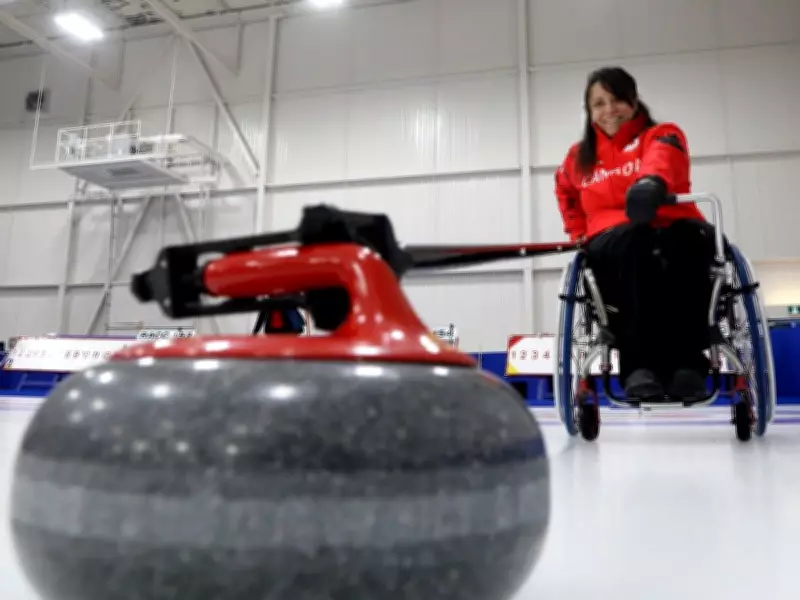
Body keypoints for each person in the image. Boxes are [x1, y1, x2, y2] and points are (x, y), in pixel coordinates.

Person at [554, 66, 716, 402]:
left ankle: (688, 364)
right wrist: (577, 230)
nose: (609, 110)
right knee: (635, 244)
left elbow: (664, 156)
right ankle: (637, 366)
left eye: (616, 100)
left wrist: (651, 182)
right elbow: (565, 191)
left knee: (693, 240)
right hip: (614, 236)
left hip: (670, 220)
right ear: (589, 111)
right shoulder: (578, 158)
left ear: (633, 101)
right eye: (599, 103)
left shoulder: (660, 134)